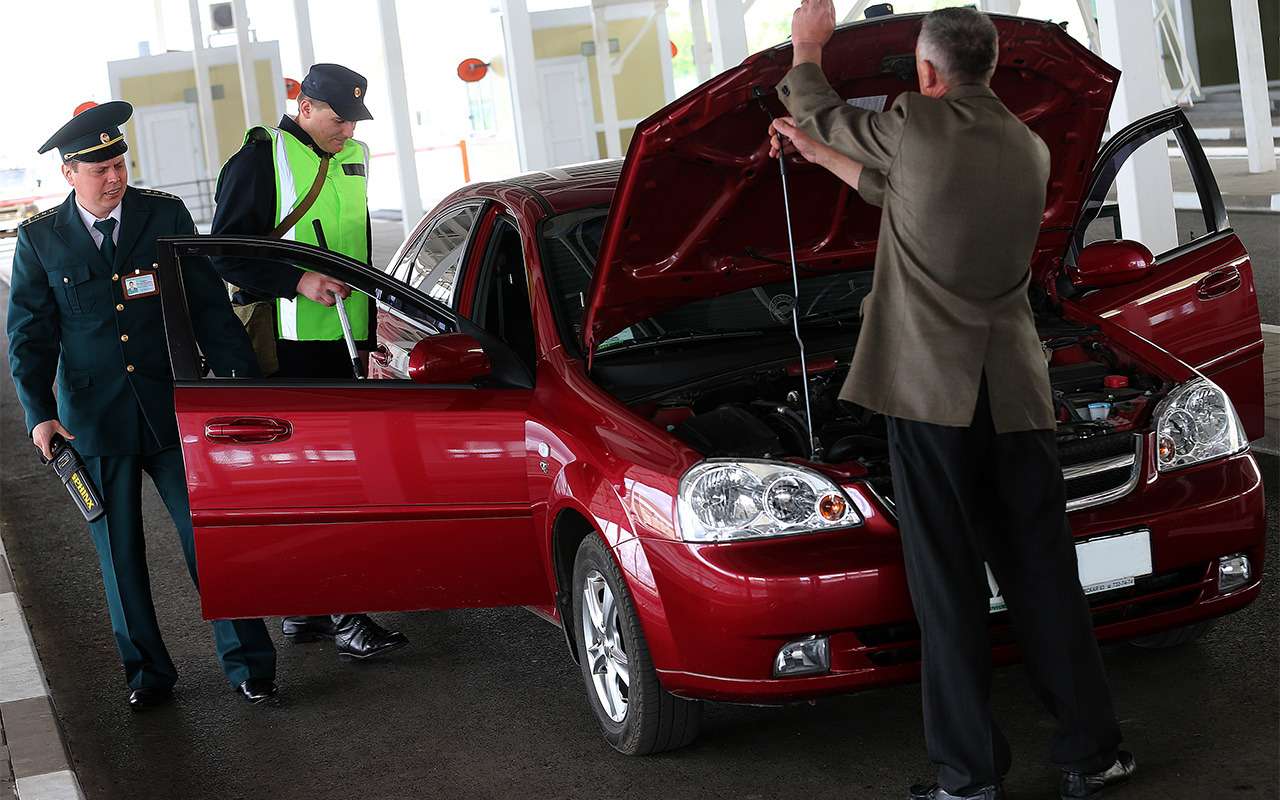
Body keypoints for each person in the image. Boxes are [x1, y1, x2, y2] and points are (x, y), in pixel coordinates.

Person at [770, 5, 1135, 800]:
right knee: (1043, 573)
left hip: (930, 392)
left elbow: (821, 105)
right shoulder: (1028, 146)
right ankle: (1092, 752)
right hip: (1014, 388)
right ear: (991, 68)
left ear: (927, 76)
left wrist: (808, 46)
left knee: (948, 582)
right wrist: (813, 154)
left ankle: (969, 776)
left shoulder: (915, 123)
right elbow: (894, 189)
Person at [7, 102, 278, 710]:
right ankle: (148, 674)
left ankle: (249, 665)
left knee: (208, 541)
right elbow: (29, 334)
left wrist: (241, 384)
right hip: (92, 425)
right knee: (119, 555)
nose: (114, 175)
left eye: (120, 162)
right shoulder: (41, 239)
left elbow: (208, 305)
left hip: (173, 415)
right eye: (100, 167)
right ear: (69, 174)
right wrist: (38, 413)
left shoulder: (164, 216)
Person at [209, 63, 409, 660]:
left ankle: (306, 611)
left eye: (354, 119)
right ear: (305, 107)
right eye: (337, 117)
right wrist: (297, 281)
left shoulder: (356, 155)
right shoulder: (258, 159)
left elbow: (356, 244)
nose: (347, 129)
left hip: (346, 339)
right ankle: (344, 613)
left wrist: (373, 330)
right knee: (325, 484)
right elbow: (225, 255)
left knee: (328, 481)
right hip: (290, 348)